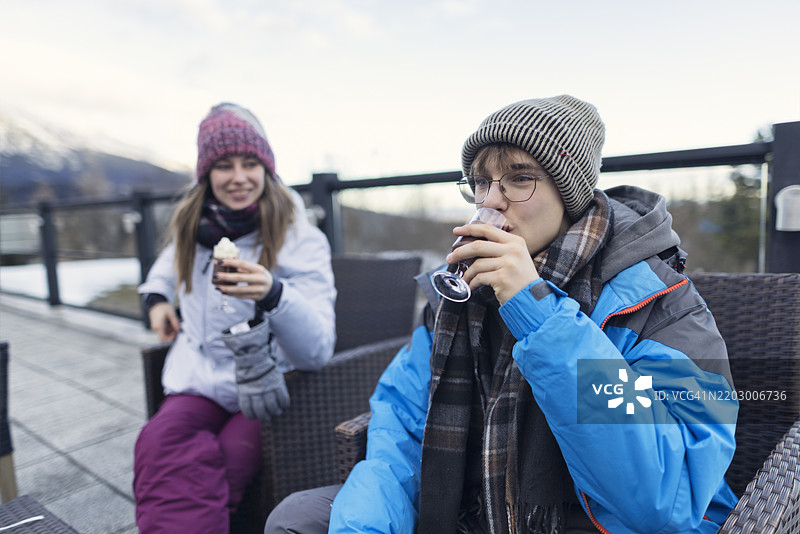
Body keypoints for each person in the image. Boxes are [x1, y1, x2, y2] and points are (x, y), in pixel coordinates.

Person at [264, 95, 739, 534]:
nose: (490, 200)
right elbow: (401, 436)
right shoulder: (460, 298)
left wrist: (538, 311)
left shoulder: (662, 301)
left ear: (569, 194)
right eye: (481, 182)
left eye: (519, 178)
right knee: (297, 518)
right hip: (478, 511)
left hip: (601, 522)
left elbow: (668, 497)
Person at [134, 102, 336, 534]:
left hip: (266, 384)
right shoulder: (193, 229)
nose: (239, 177)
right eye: (224, 165)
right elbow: (165, 267)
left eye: (250, 163)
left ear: (267, 168)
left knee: (222, 464)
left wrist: (274, 293)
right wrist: (156, 299)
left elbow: (317, 350)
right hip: (200, 377)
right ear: (206, 174)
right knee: (156, 442)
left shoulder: (300, 239)